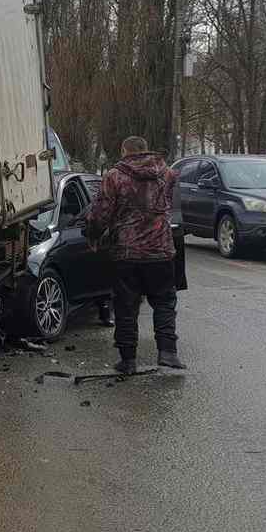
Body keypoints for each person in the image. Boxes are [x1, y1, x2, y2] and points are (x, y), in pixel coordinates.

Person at [85, 135, 184, 373]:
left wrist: (93, 234)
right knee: (164, 302)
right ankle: (168, 352)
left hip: (126, 252)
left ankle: (128, 360)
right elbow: (168, 208)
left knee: (126, 306)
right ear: (145, 150)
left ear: (124, 151)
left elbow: (101, 213)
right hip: (161, 251)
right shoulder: (167, 174)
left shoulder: (114, 176)